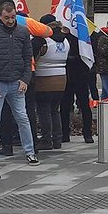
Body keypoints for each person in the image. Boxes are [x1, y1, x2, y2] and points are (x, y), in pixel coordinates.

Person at [0, 0, 39, 167]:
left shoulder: (22, 32)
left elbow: (28, 58)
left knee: (22, 117)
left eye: (13, 17)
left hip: (17, 82)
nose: (10, 21)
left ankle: (30, 152)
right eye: (7, 17)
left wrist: (25, 79)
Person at [31, 15, 69, 150]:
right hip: (61, 79)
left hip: (43, 79)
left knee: (43, 111)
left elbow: (32, 58)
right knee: (54, 110)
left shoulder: (42, 40)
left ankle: (47, 140)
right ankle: (57, 140)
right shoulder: (65, 40)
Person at [60, 25, 94, 144]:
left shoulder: (82, 39)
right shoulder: (62, 39)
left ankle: (87, 133)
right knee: (65, 106)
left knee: (84, 106)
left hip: (81, 76)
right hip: (67, 77)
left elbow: (89, 55)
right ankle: (64, 133)